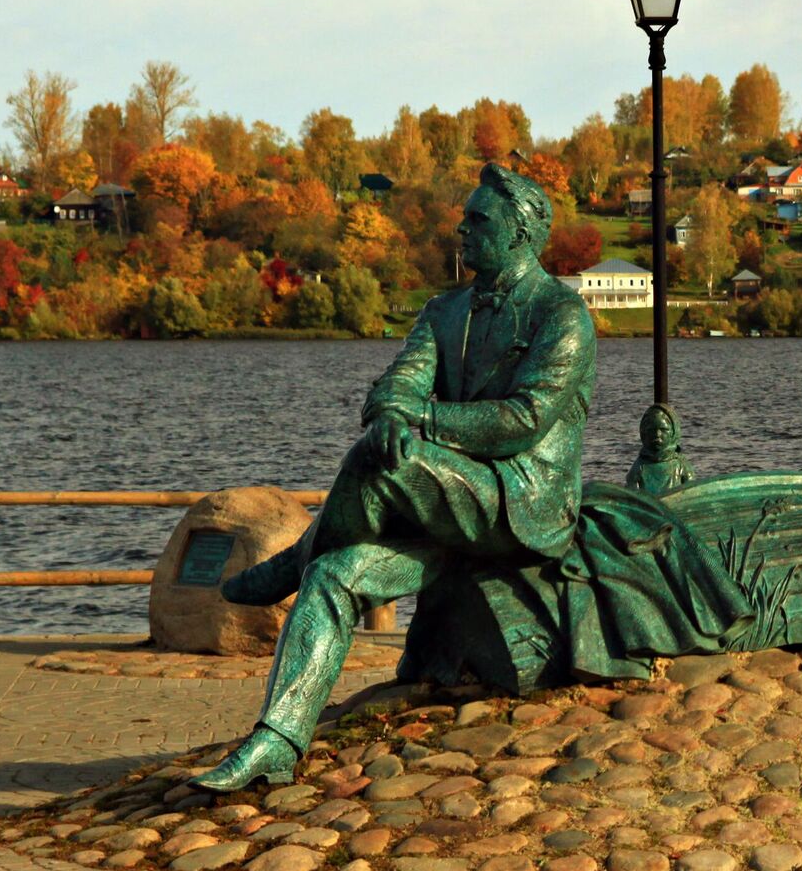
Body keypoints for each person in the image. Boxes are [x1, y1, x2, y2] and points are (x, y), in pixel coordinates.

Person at [195, 163, 750, 792]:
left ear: (519, 234)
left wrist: (418, 420)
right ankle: (277, 739)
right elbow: (396, 384)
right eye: (465, 216)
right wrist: (392, 414)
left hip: (519, 504)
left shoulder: (562, 316)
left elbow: (524, 419)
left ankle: (293, 558)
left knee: (379, 460)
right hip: (445, 509)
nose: (461, 227)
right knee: (334, 573)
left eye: (477, 218)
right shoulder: (444, 310)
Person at [626, 402, 694, 496]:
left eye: (663, 430)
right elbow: (632, 495)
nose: (657, 435)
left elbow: (691, 491)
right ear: (644, 433)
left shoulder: (680, 465)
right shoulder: (640, 466)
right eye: (651, 430)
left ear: (672, 432)